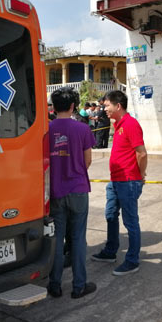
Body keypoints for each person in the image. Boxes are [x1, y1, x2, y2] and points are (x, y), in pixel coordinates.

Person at [47, 87, 97, 298]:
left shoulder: (46, 130)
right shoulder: (82, 129)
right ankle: (79, 286)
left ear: (54, 106)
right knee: (77, 239)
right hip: (77, 189)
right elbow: (87, 161)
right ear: (72, 106)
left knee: (57, 240)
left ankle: (54, 285)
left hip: (56, 191)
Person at [91, 90, 148, 276]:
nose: (104, 108)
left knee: (130, 221)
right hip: (115, 180)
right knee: (110, 215)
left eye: (107, 105)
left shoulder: (131, 124)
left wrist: (140, 176)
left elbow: (142, 153)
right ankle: (110, 251)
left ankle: (132, 260)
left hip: (128, 181)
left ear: (118, 106)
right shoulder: (119, 124)